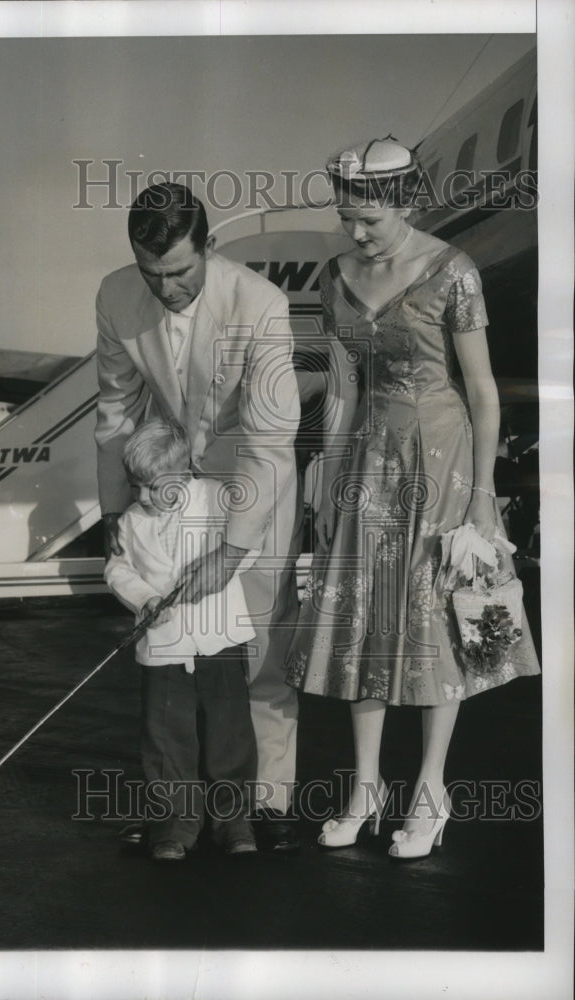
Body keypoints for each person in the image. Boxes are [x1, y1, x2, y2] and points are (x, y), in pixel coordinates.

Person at [285, 137, 540, 858]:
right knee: (360, 615)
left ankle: (430, 791)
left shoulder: (452, 272)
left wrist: (485, 494)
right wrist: (327, 477)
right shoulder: (336, 275)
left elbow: (482, 389)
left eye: (368, 220)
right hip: (368, 458)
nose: (355, 233)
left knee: (433, 619)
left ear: (405, 202)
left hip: (441, 456)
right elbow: (340, 385)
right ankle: (363, 787)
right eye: (346, 219)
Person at [95, 182, 302, 849]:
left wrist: (233, 551)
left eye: (180, 272)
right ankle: (180, 804)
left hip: (251, 482)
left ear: (208, 248)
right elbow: (115, 414)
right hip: (169, 491)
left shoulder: (261, 303)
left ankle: (261, 804)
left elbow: (271, 441)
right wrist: (115, 511)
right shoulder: (114, 296)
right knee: (175, 657)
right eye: (152, 275)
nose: (167, 289)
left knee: (258, 641)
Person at [104, 417, 259, 861]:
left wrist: (223, 568)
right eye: (137, 486)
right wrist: (144, 599)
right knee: (166, 738)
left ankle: (232, 819)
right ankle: (173, 823)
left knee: (229, 732)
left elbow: (251, 542)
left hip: (220, 638)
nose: (144, 497)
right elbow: (117, 570)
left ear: (185, 471)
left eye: (155, 487)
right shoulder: (132, 521)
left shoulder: (216, 497)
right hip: (164, 645)